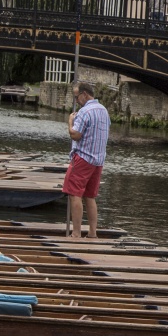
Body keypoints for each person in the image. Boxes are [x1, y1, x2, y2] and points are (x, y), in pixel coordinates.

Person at [64, 81, 109, 240]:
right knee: (90, 196)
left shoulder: (84, 112)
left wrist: (70, 121)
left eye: (77, 97)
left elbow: (75, 134)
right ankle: (92, 233)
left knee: (74, 193)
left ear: (84, 94)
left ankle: (76, 233)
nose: (76, 101)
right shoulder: (104, 110)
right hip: (98, 161)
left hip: (83, 158)